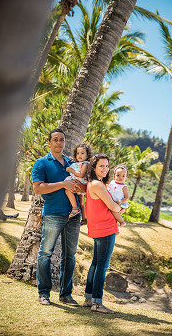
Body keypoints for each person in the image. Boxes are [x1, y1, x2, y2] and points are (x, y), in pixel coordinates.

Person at [32, 128, 86, 306]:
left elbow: (84, 186)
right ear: (49, 142)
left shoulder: (72, 162)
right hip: (53, 213)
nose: (59, 143)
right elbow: (38, 189)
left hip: (73, 215)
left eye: (62, 140)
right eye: (55, 139)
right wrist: (63, 184)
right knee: (45, 253)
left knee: (69, 256)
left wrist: (78, 187)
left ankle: (65, 294)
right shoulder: (41, 163)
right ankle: (44, 293)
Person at [82, 154, 125, 314]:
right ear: (93, 168)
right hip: (105, 228)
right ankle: (97, 303)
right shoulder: (97, 184)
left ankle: (89, 299)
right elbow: (113, 206)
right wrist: (121, 208)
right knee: (102, 266)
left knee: (96, 264)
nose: (105, 169)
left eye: (107, 166)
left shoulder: (92, 183)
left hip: (99, 228)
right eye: (101, 166)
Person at [63, 143, 92, 219]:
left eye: (82, 153)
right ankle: (84, 218)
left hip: (80, 182)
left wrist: (71, 170)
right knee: (81, 202)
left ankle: (75, 208)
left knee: (67, 190)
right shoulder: (78, 163)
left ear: (87, 155)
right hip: (78, 181)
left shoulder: (85, 164)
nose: (79, 155)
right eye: (77, 153)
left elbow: (81, 175)